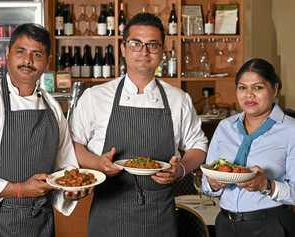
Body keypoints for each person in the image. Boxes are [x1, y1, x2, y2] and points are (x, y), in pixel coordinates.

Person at [69, 13, 207, 237]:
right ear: (123, 49)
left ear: (162, 51)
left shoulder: (177, 99)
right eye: (136, 44)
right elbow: (73, 144)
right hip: (109, 213)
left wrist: (180, 169)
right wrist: (97, 163)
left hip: (159, 215)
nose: (144, 52)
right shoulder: (96, 96)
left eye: (153, 45)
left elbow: (198, 146)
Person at [0, 23, 84, 236]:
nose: (28, 61)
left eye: (37, 54)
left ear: (47, 62)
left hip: (41, 225)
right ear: (8, 54)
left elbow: (65, 169)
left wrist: (71, 191)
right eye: (21, 52)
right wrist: (19, 190)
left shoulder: (53, 108)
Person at [202, 58, 295, 237]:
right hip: (225, 225)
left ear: (275, 88)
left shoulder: (291, 130)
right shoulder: (225, 127)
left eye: (258, 87)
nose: (249, 95)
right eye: (242, 87)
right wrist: (213, 184)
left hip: (270, 225)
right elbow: (207, 183)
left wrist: (266, 185)